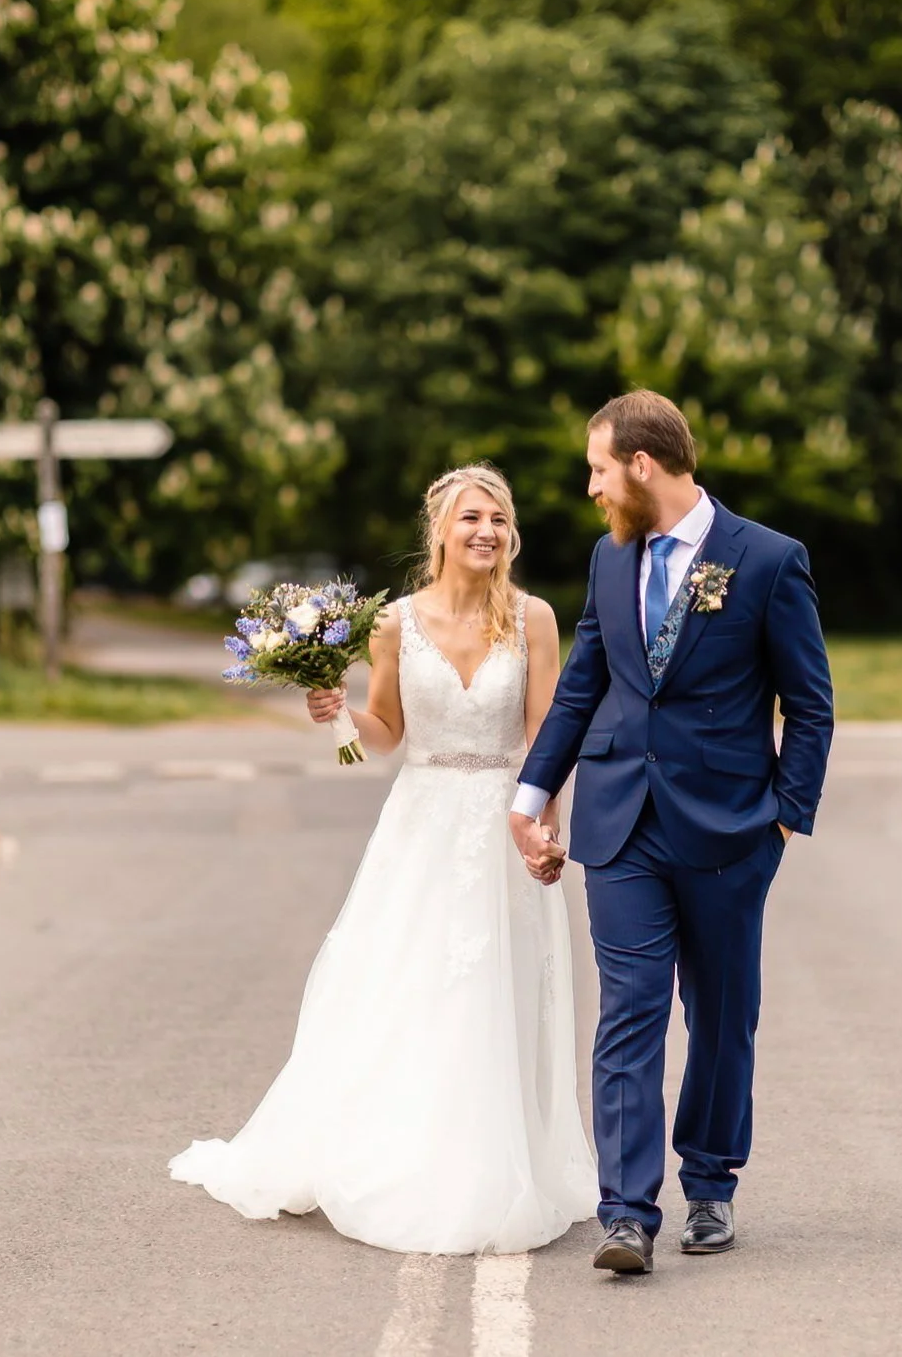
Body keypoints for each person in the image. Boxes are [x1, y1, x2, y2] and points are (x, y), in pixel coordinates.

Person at [169, 463, 598, 1254]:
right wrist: (337, 715)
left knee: (498, 991)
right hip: (422, 826)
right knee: (415, 986)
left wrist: (543, 828)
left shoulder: (533, 618)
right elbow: (388, 733)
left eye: (499, 520)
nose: (487, 532)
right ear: (440, 529)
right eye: (472, 518)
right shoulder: (394, 623)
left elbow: (546, 735)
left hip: (503, 821)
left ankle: (499, 1162)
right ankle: (409, 1158)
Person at [509, 389, 835, 1276]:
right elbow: (583, 684)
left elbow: (810, 705)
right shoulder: (609, 558)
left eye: (598, 469)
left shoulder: (768, 560)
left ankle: (712, 1185)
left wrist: (784, 821)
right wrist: (532, 794)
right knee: (629, 1010)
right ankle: (625, 1213)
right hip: (620, 824)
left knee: (722, 1015)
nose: (591, 488)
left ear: (642, 465)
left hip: (732, 830)